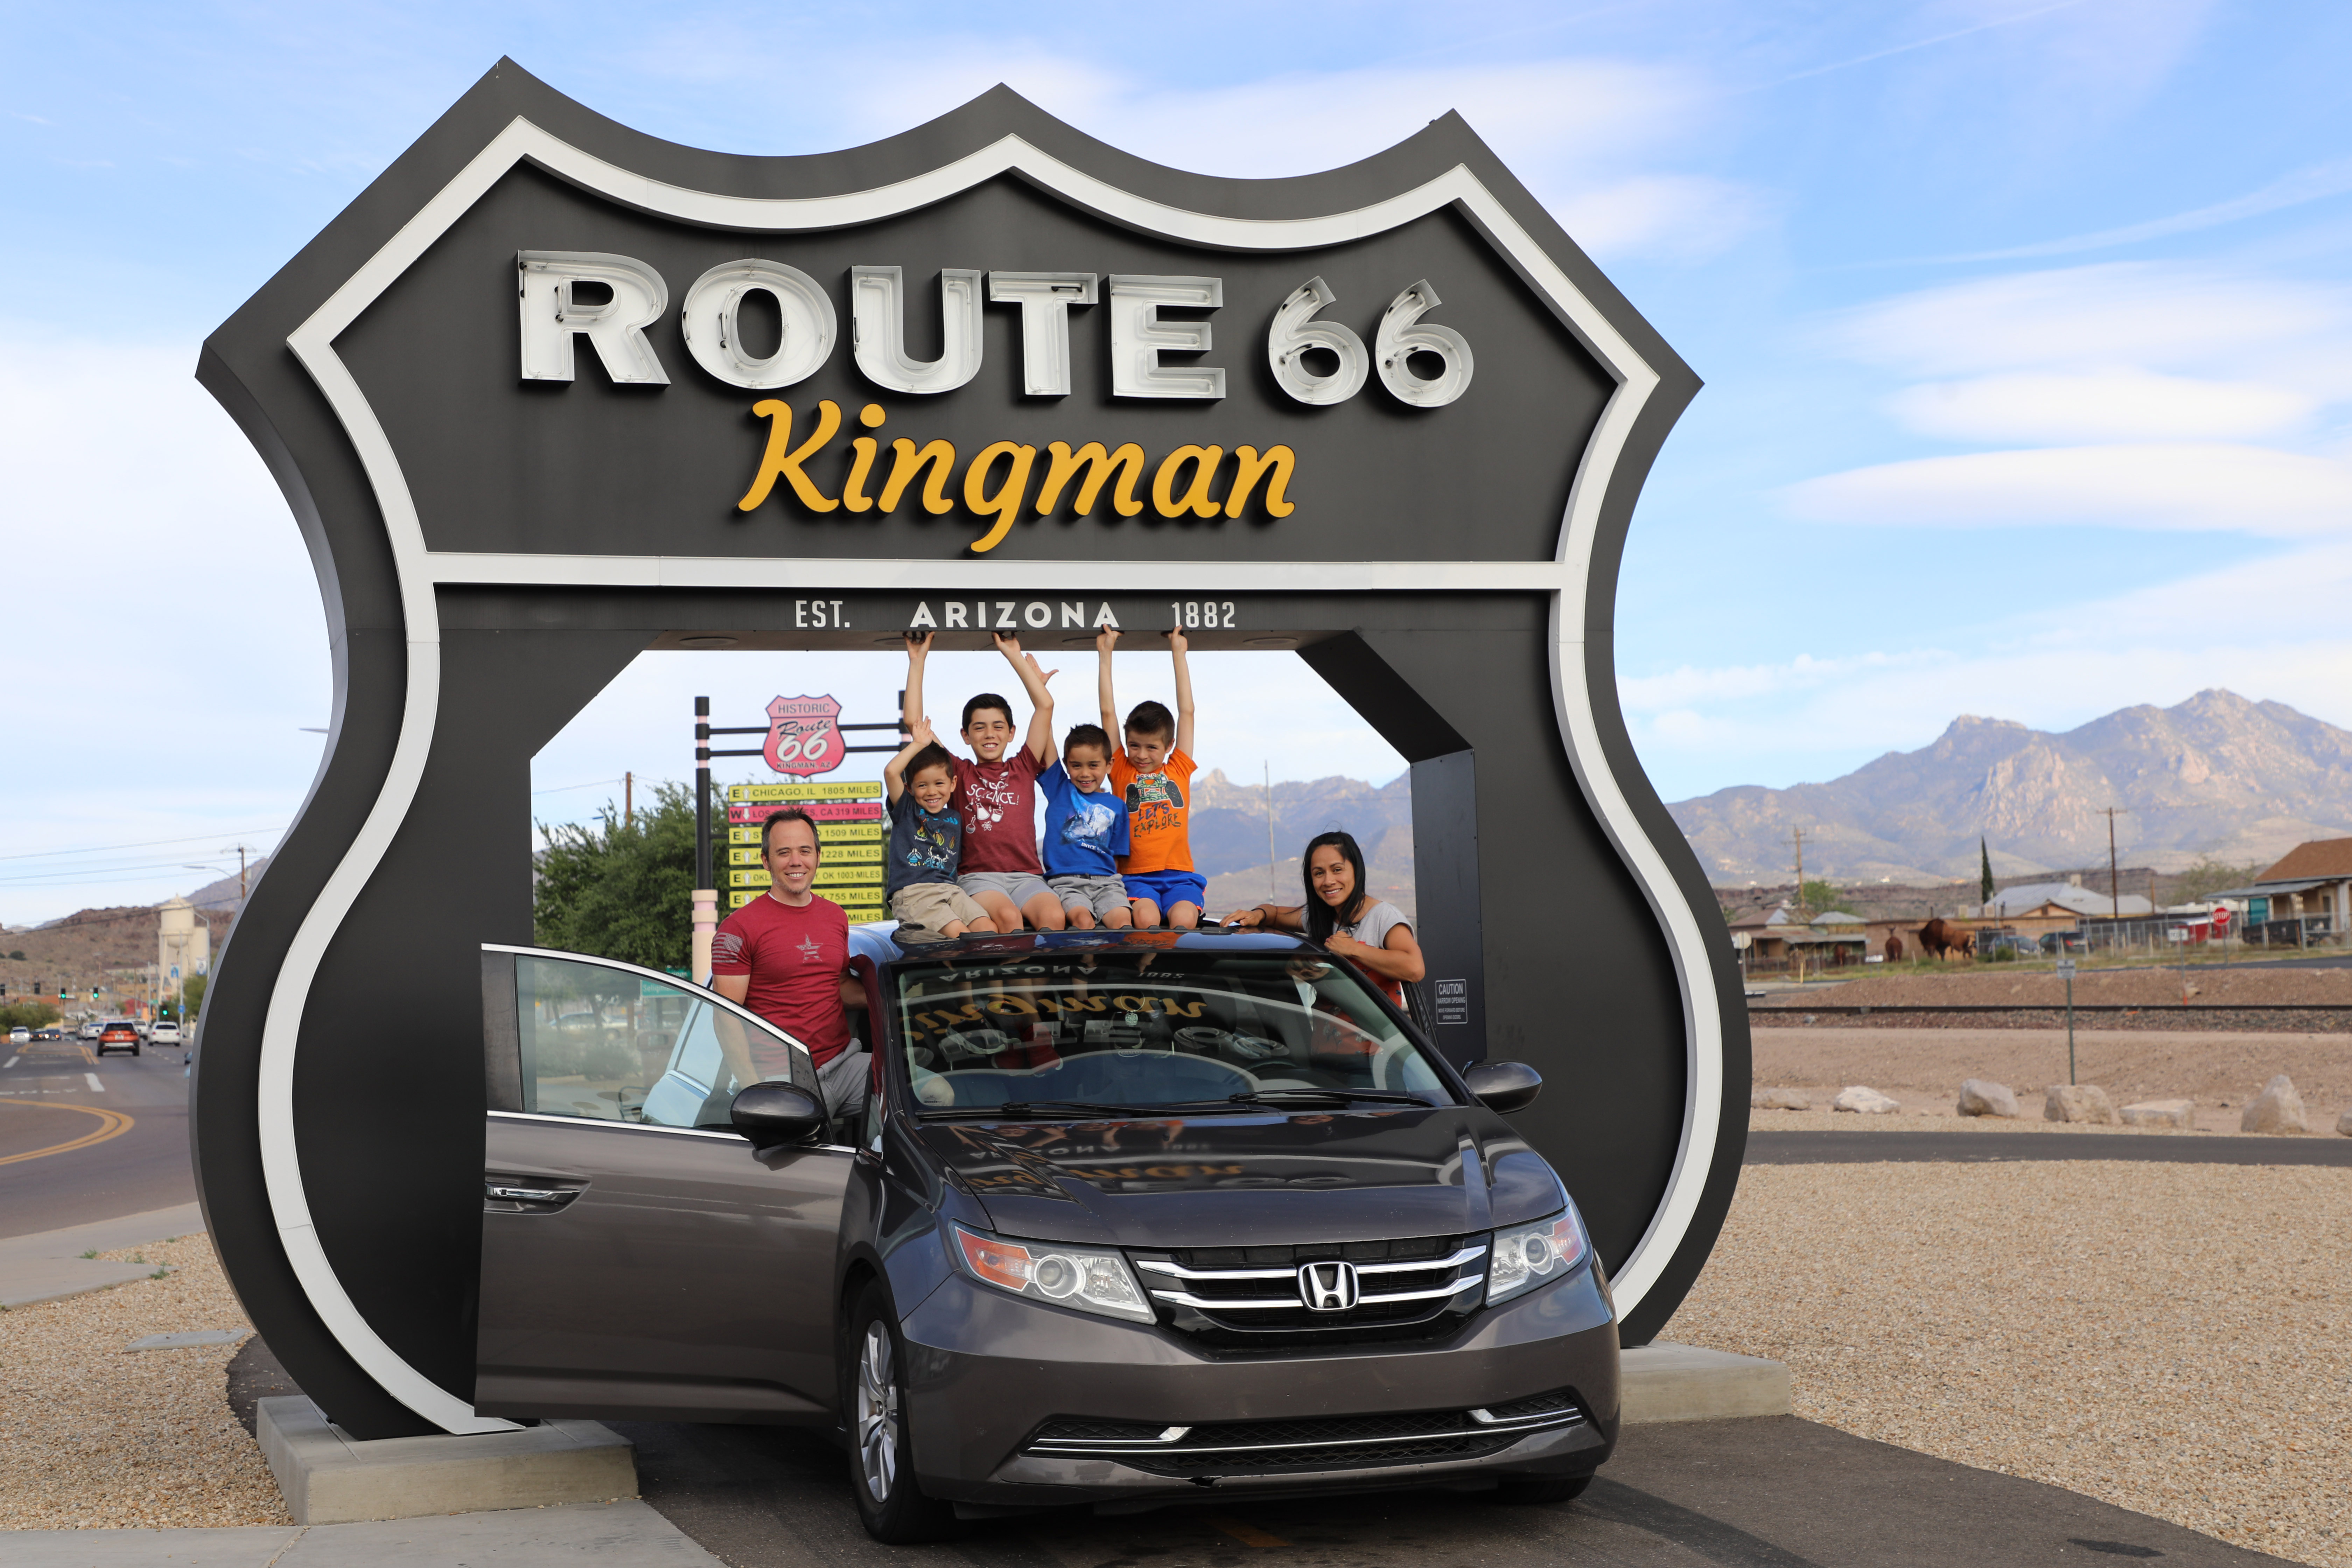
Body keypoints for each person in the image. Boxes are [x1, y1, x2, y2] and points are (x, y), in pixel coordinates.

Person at [708, 806, 871, 1120]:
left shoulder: (836, 917)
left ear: (818, 857)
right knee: (806, 1168)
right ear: (766, 861)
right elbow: (726, 1018)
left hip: (844, 1065)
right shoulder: (738, 929)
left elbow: (837, 987)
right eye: (784, 853)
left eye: (805, 851)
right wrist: (755, 1091)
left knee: (929, 1095)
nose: (796, 861)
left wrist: (900, 997)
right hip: (783, 1080)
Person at [903, 630, 1066, 932]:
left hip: (1027, 876)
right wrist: (917, 660)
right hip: (979, 877)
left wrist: (1013, 655)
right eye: (979, 728)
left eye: (998, 727)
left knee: (1055, 918)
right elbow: (915, 722)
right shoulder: (959, 773)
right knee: (1009, 919)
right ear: (966, 736)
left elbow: (1046, 706)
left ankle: (1041, 981)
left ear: (1012, 733)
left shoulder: (1024, 765)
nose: (990, 734)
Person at [1221, 830, 1426, 1006]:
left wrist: (1354, 950)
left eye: (1337, 870)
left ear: (1356, 869)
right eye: (1319, 873)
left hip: (1376, 1047)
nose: (1328, 881)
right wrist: (1258, 915)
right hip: (1323, 1044)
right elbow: (1274, 913)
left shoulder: (1383, 916)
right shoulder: (1318, 917)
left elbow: (1415, 968)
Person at [1098, 623, 1202, 929]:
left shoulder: (1178, 767)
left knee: (1184, 920)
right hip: (1135, 876)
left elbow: (1187, 713)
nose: (1141, 755)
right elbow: (1108, 713)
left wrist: (1178, 653)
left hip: (1179, 874)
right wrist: (1105, 654)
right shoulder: (1120, 768)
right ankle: (1147, 964)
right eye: (1134, 746)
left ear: (1169, 746)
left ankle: (1172, 974)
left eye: (1152, 748)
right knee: (1146, 918)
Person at [883, 716, 995, 938]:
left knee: (988, 929)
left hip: (951, 891)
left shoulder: (955, 816)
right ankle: (956, 969)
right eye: (923, 785)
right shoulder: (907, 809)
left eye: (939, 784)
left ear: (953, 784)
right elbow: (891, 772)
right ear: (910, 788)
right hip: (915, 893)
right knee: (959, 934)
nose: (932, 791)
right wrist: (918, 744)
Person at [1038, 722, 1133, 930]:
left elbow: (1116, 856)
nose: (1085, 773)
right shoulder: (1059, 788)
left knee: (1123, 923)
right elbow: (1045, 736)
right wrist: (1044, 702)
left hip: (1107, 883)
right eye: (1076, 765)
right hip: (1067, 882)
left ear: (1109, 765)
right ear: (1066, 764)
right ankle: (1088, 962)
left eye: (1093, 765)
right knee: (1083, 921)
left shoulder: (1118, 807)